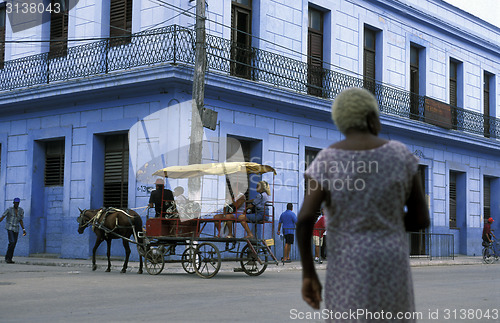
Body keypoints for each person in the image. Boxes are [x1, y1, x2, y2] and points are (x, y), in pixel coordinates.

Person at [296, 87, 430, 318]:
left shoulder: (327, 159)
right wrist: (383, 220)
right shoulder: (400, 155)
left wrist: (309, 273)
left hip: (347, 269)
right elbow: (421, 218)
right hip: (391, 267)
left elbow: (305, 218)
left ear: (342, 122)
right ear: (371, 118)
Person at [1, 198, 27, 264]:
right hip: (9, 227)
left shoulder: (21, 210)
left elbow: (21, 220)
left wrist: (23, 229)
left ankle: (9, 258)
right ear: (13, 203)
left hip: (16, 229)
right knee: (12, 242)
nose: (16, 204)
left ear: (19, 203)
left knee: (13, 244)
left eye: (17, 203)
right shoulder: (9, 209)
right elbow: (3, 216)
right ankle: (7, 257)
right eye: (15, 202)